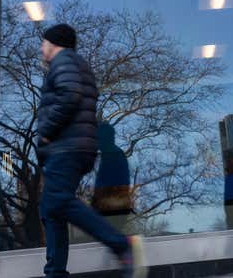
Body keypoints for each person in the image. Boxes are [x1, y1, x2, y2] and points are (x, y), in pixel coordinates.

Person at [36, 23, 147, 278]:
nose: (42, 48)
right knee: (51, 210)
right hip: (71, 147)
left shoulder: (64, 61)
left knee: (57, 201)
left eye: (44, 43)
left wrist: (46, 131)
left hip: (67, 147)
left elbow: (70, 94)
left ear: (54, 43)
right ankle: (55, 272)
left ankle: (122, 244)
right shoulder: (75, 64)